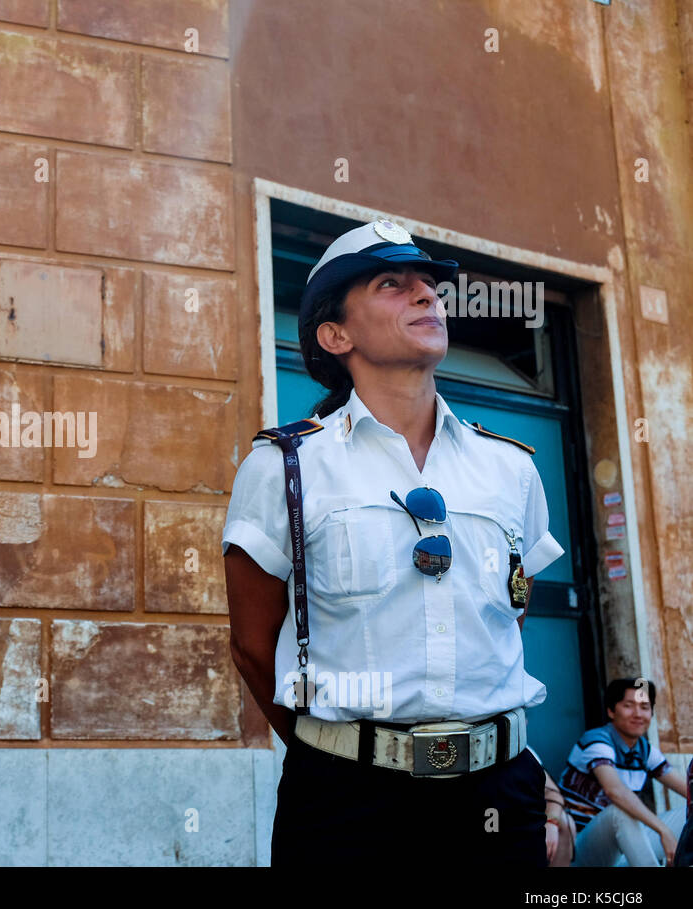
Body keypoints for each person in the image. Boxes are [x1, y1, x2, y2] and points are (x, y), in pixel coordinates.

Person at [223, 218, 566, 866]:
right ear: (336, 334)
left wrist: (535, 782)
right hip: (346, 803)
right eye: (391, 284)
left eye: (430, 286)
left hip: (500, 796)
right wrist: (337, 753)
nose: (425, 295)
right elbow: (250, 646)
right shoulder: (285, 469)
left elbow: (504, 632)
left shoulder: (511, 469)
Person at [559, 678, 688, 866]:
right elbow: (616, 792)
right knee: (620, 812)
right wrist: (663, 831)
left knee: (689, 810)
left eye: (645, 707)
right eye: (629, 705)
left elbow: (687, 789)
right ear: (611, 711)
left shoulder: (644, 750)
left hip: (626, 850)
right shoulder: (597, 740)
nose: (638, 714)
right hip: (582, 848)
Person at [527, 745, 576, 866]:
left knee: (563, 820)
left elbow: (553, 793)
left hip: (527, 820)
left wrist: (551, 822)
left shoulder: (523, 749)